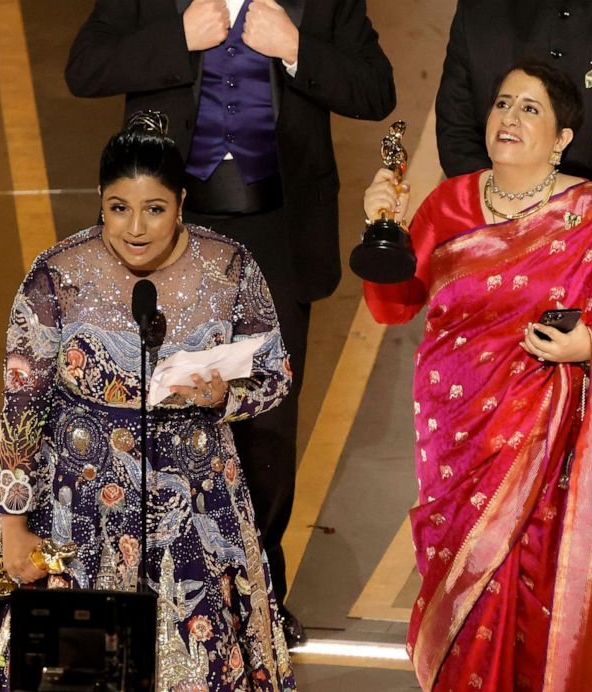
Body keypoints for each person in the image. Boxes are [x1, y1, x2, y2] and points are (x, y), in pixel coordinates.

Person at [65, 0, 396, 641]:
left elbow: (375, 87)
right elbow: (85, 67)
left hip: (278, 229)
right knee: (153, 408)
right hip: (168, 235)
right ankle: (151, 592)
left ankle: (259, 591)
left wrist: (296, 45)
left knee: (265, 424)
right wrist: (177, 37)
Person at [362, 61, 592, 690]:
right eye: (502, 104)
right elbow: (393, 305)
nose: (509, 118)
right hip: (457, 437)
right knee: (462, 587)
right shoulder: (449, 202)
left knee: (539, 587)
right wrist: (381, 230)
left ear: (564, 137)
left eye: (530, 109)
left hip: (554, 449)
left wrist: (589, 349)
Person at [0, 112, 295, 692]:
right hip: (75, 513)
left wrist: (225, 397)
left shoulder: (229, 269)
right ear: (100, 200)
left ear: (182, 201)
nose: (135, 227)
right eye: (119, 208)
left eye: (155, 209)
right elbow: (21, 407)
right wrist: (13, 525)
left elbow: (276, 374)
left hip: (196, 513)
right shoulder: (57, 275)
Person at [435, 0, 592, 276]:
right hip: (488, 254)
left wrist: (571, 230)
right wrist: (503, 222)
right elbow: (455, 132)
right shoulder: (478, 9)